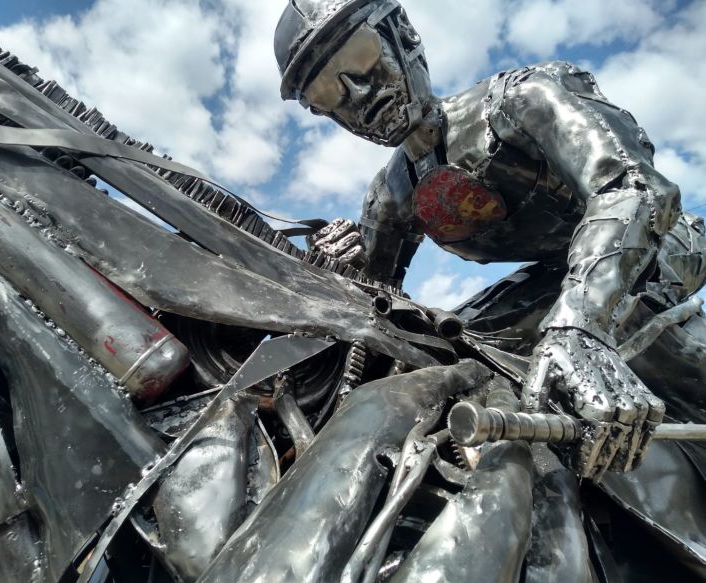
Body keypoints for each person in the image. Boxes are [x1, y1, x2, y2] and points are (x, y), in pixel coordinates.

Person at [274, 0, 706, 479]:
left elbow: (636, 190)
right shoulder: (391, 196)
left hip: (656, 251)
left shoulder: (523, 100)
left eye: (360, 56)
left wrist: (579, 324)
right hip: (550, 283)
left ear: (404, 36)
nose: (357, 94)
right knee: (457, 340)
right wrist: (333, 275)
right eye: (327, 92)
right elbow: (380, 316)